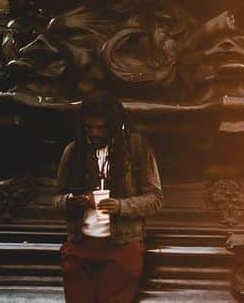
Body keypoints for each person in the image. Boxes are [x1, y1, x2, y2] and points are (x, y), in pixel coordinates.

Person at [53, 92, 163, 303]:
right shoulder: (73, 150)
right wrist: (70, 201)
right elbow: (56, 199)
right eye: (89, 127)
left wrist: (120, 206)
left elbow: (155, 198)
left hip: (122, 248)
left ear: (114, 124)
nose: (94, 133)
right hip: (79, 246)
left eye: (101, 127)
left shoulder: (136, 148)